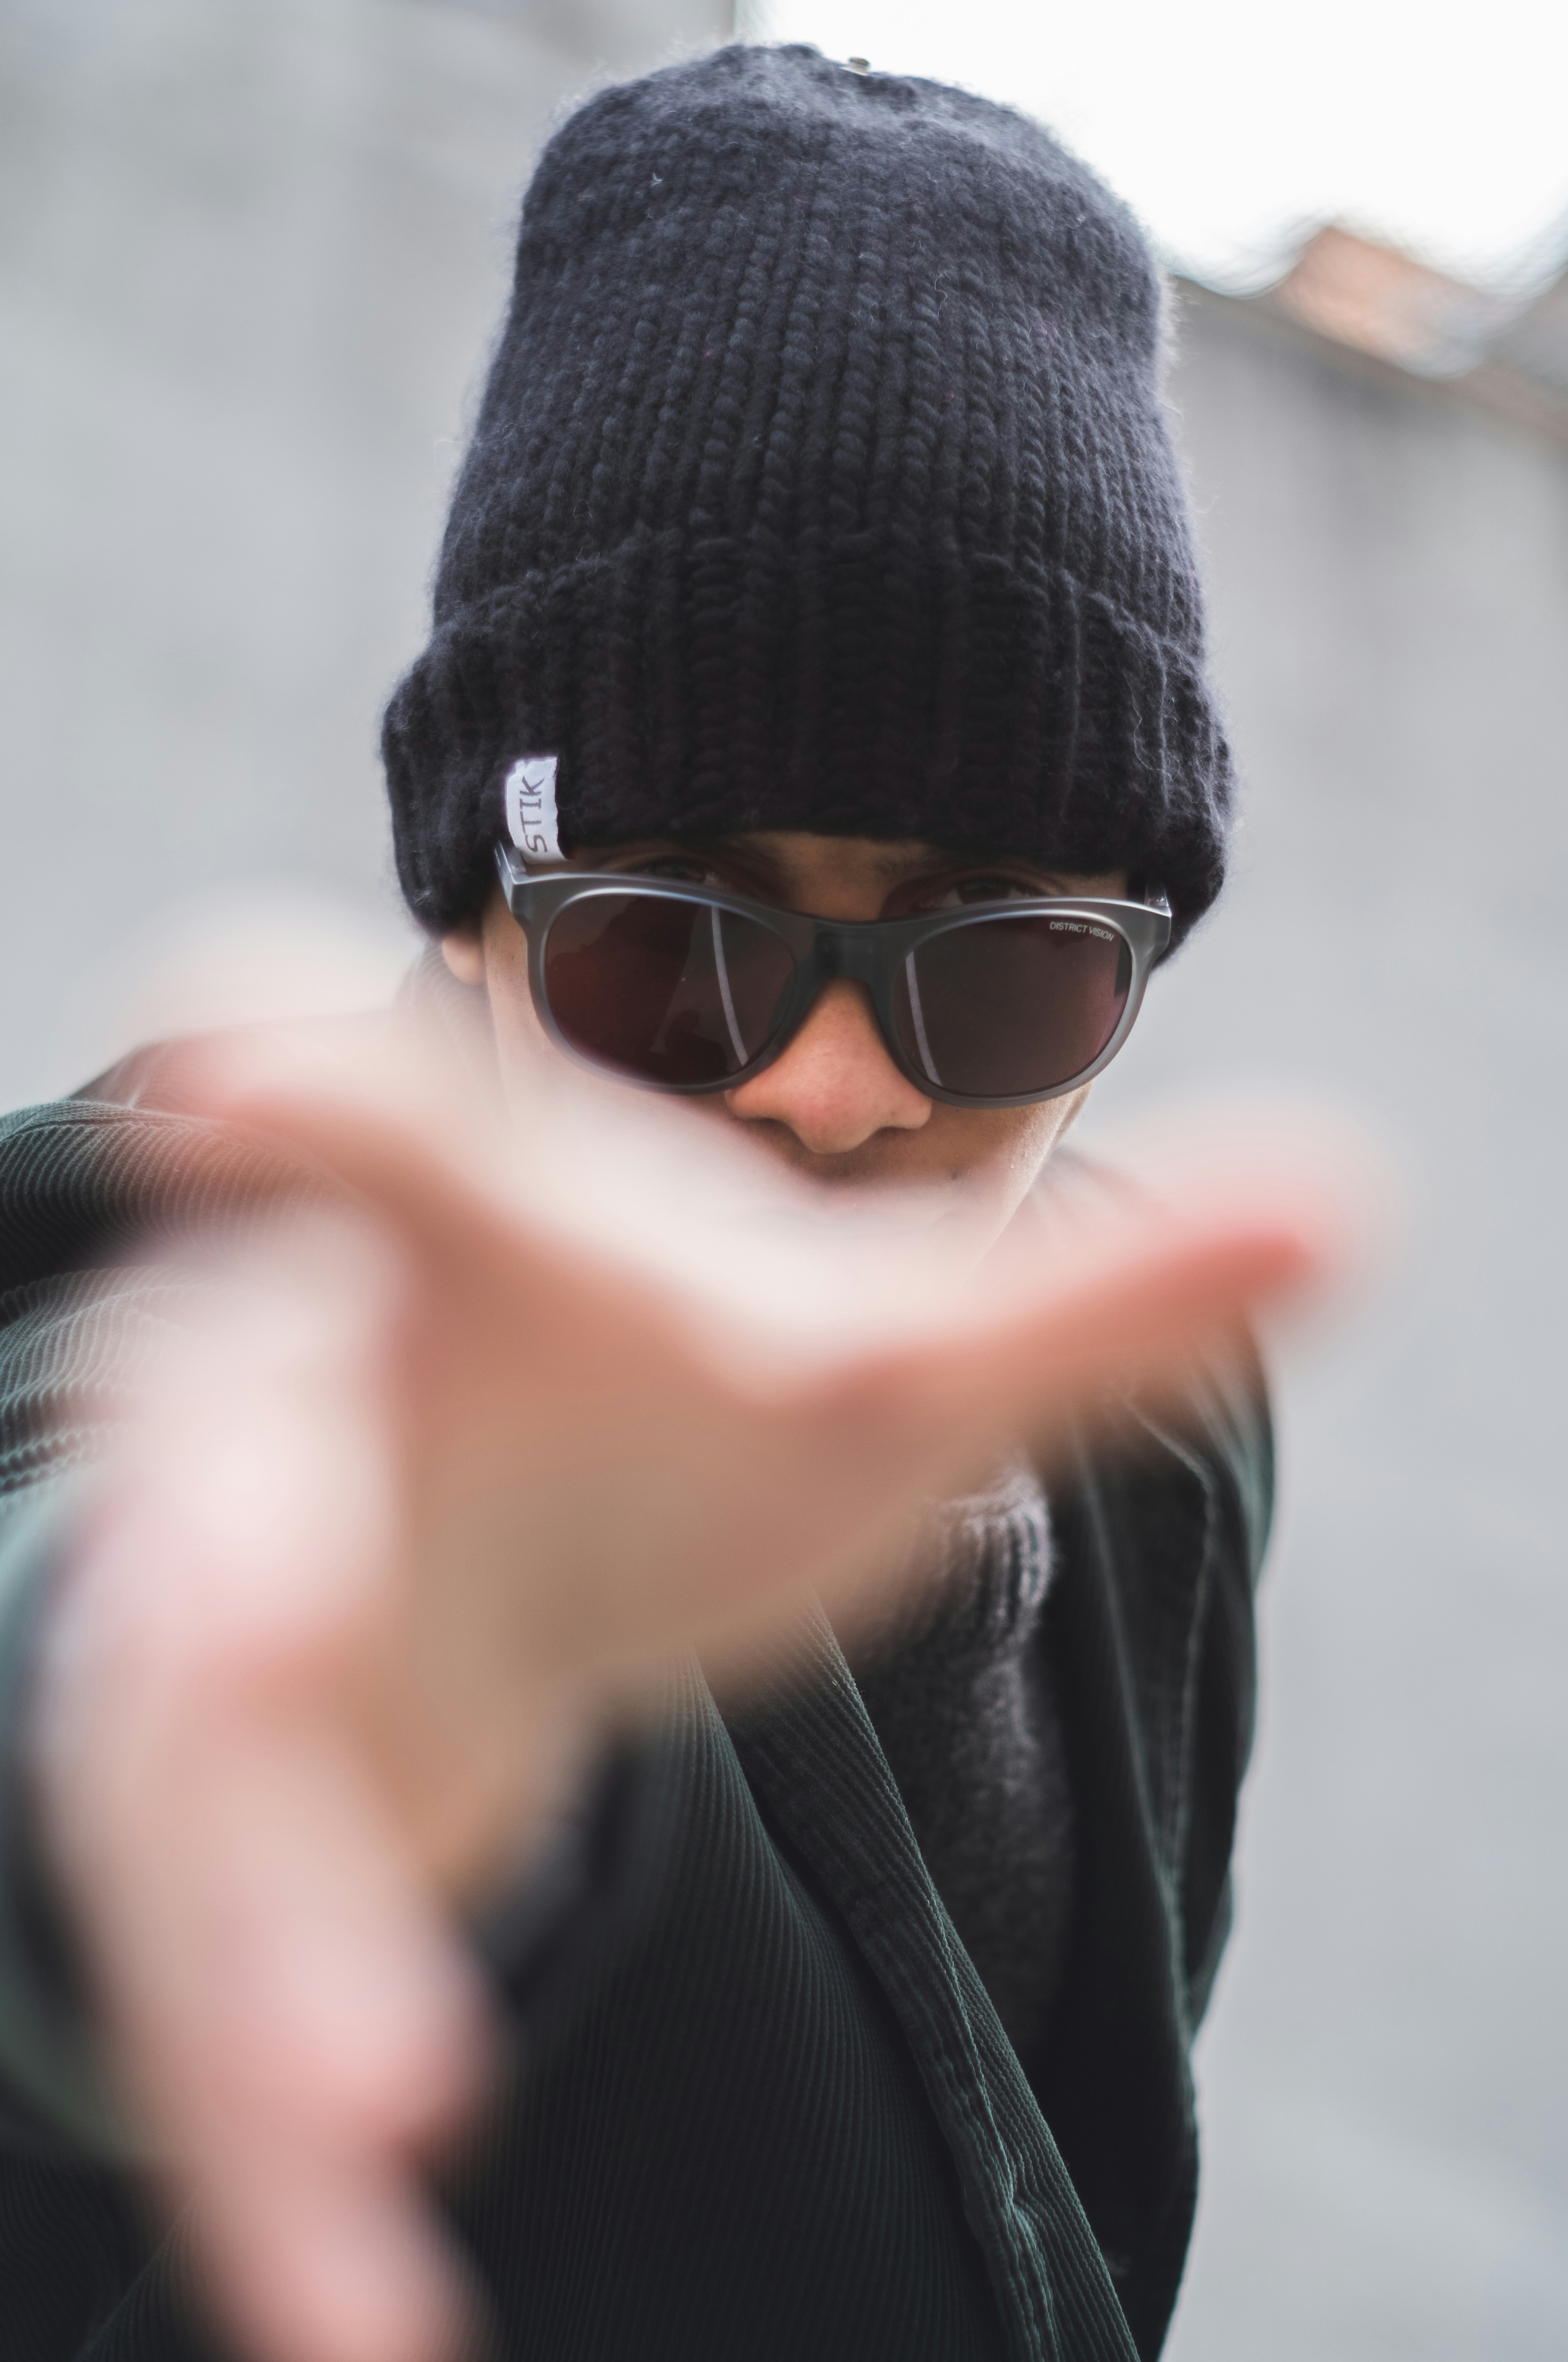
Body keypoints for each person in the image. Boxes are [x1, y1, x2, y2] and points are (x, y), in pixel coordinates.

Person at [0, 44, 1335, 2362]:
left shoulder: (1161, 1389)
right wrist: (241, 1718)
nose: (833, 1089)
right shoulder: (252, 1315)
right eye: (672, 944)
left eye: (1001, 964)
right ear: (470, 913)